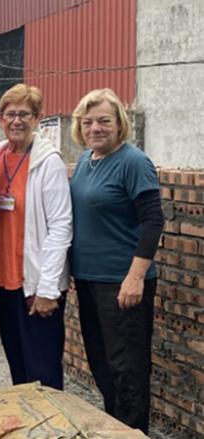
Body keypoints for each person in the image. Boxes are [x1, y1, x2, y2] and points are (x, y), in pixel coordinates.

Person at [69, 88, 162, 433]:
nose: (96, 128)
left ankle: (134, 432)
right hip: (89, 279)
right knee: (101, 364)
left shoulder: (133, 162)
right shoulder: (84, 161)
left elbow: (153, 221)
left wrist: (135, 277)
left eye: (104, 121)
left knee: (128, 370)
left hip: (122, 283)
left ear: (119, 123)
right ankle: (114, 429)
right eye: (88, 121)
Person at [0, 84, 72, 390]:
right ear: (0, 117)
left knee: (44, 372)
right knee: (19, 368)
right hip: (4, 281)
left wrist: (49, 289)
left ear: (38, 118)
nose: (17, 121)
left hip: (36, 284)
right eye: (10, 114)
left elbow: (61, 227)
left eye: (25, 114)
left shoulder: (49, 163)